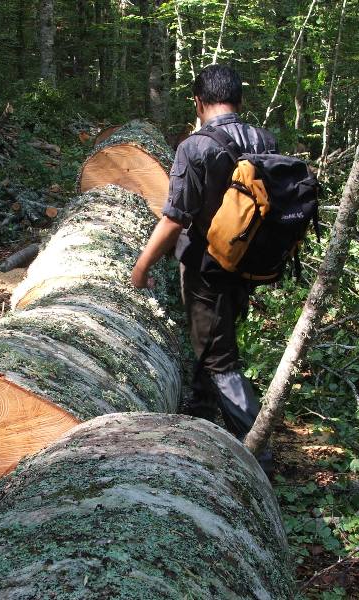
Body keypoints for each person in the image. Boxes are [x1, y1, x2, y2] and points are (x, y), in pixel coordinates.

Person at [131, 64, 276, 469]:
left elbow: (176, 218)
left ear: (198, 102)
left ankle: (256, 451)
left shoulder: (195, 147)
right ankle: (199, 416)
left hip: (206, 269)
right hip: (247, 266)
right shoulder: (263, 139)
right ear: (240, 100)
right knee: (212, 340)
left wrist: (142, 265)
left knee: (219, 358)